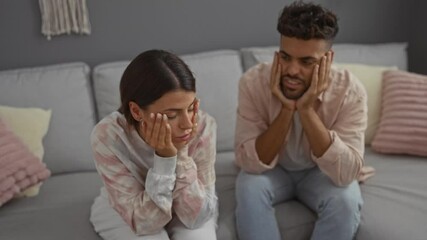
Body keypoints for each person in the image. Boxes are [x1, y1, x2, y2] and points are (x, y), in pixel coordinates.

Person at [234, 1, 374, 240]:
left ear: (328, 59)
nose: (292, 71)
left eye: (306, 62)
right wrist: (287, 108)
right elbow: (250, 162)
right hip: (273, 171)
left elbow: (346, 173)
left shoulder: (351, 91)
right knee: (248, 187)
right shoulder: (253, 83)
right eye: (286, 57)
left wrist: (307, 109)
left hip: (320, 174)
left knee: (347, 200)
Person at [90, 49, 218, 240]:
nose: (187, 124)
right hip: (130, 209)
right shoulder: (108, 136)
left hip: (186, 202)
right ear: (136, 111)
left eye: (191, 108)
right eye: (171, 115)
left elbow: (197, 218)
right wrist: (165, 159)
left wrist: (181, 153)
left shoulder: (203, 126)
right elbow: (145, 223)